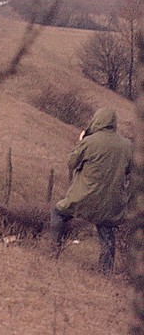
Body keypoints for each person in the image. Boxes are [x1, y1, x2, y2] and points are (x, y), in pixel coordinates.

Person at [50, 106, 133, 274]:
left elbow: (71, 163)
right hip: (111, 203)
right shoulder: (127, 145)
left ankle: (53, 251)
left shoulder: (89, 142)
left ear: (97, 120)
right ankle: (105, 273)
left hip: (83, 198)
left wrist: (81, 141)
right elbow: (130, 170)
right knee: (107, 235)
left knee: (58, 213)